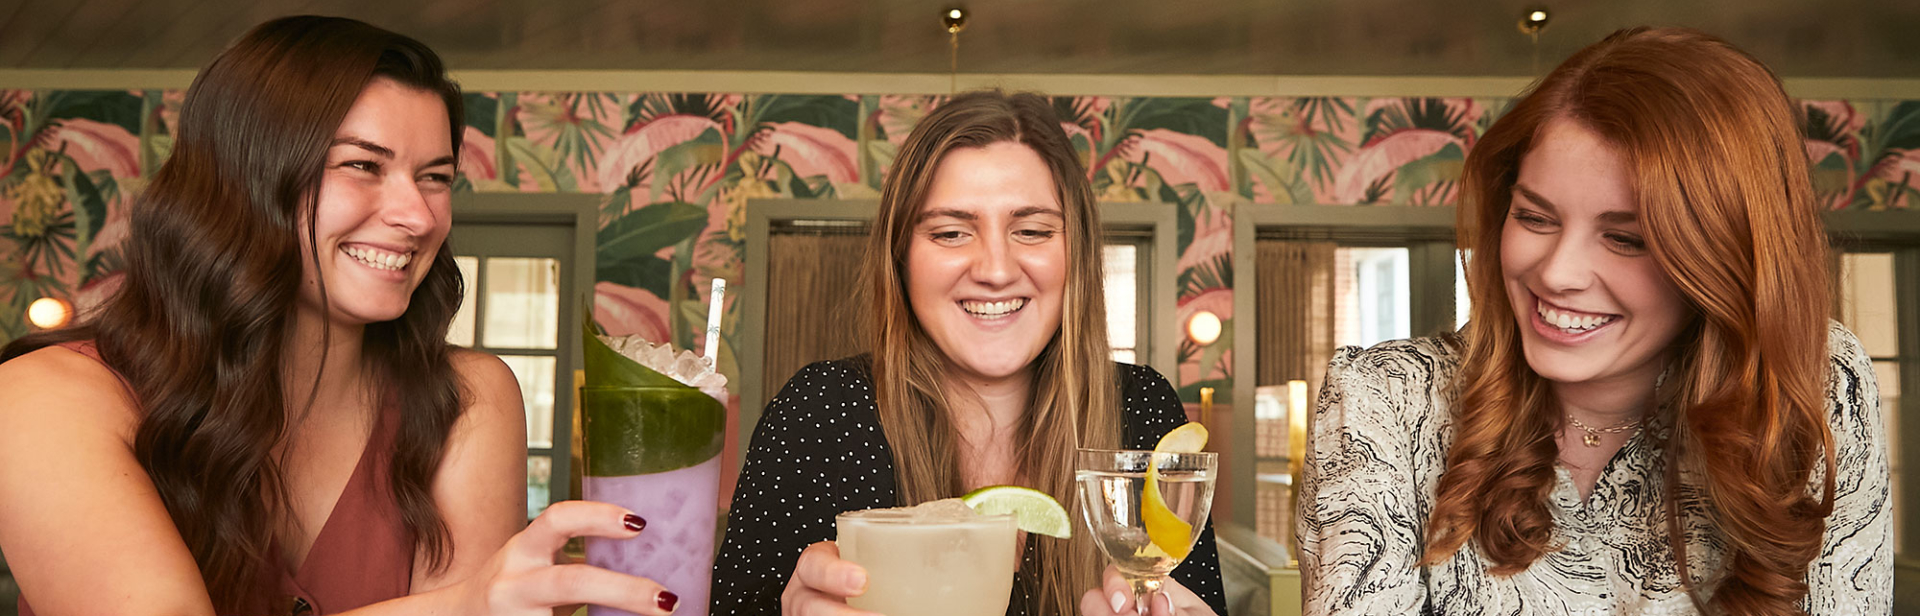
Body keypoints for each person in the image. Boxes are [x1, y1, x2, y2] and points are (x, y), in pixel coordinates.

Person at [0, 16, 677, 616]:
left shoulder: (469, 400)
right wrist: (457, 607)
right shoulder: (35, 399)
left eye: (436, 177)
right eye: (361, 165)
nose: (418, 216)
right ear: (239, 179)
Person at [1298, 27, 1891, 615]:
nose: (1558, 272)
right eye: (1534, 217)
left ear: (1728, 259)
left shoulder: (1818, 386)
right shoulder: (1388, 399)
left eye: (1626, 239)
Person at [710, 90, 1229, 616]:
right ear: (901, 258)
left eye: (1032, 231)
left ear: (1076, 252)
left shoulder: (1141, 408)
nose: (996, 270)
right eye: (952, 233)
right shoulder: (819, 411)